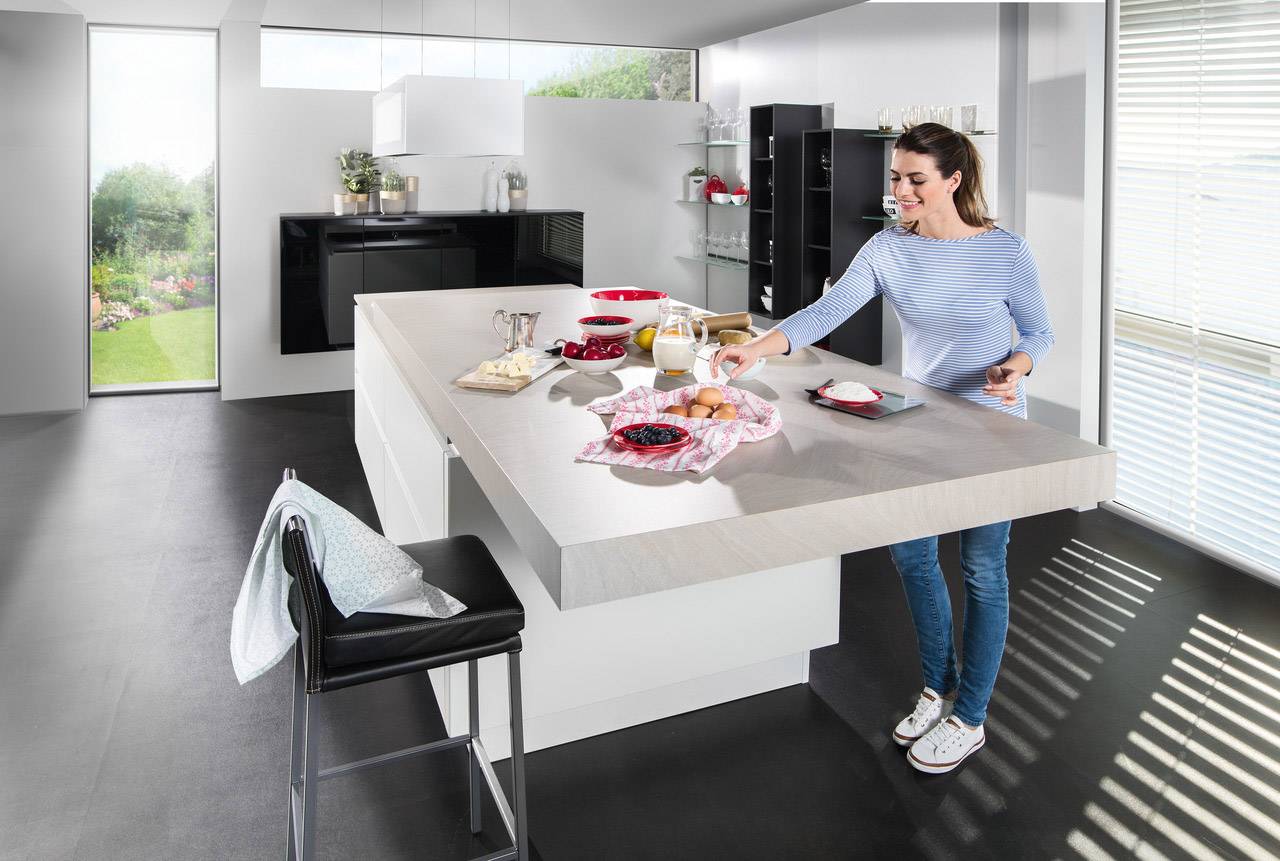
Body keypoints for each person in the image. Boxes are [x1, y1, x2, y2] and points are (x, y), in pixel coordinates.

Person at [710, 122, 1054, 775]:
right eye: (895, 178)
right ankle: (936, 687)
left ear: (954, 181)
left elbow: (1039, 331)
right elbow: (823, 313)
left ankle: (971, 715)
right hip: (919, 421)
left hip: (991, 426)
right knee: (913, 556)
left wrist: (1017, 365)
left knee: (983, 570)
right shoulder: (887, 249)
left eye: (915, 179)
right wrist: (755, 347)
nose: (901, 190)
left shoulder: (1006, 251)